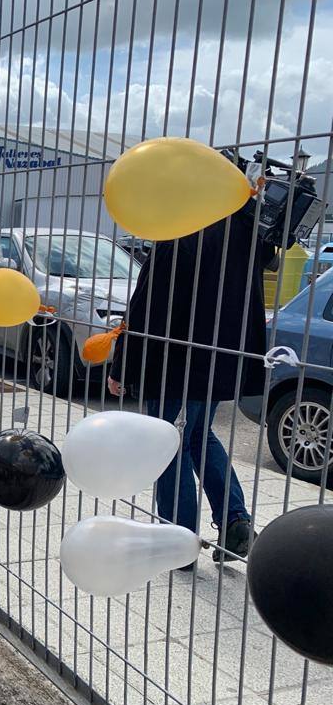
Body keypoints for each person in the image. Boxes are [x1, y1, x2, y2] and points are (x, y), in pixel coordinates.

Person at [108, 209, 276, 564]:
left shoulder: (181, 225)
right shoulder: (245, 227)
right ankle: (236, 521)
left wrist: (122, 364)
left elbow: (148, 302)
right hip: (221, 356)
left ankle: (177, 544)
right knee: (198, 436)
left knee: (170, 445)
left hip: (178, 360)